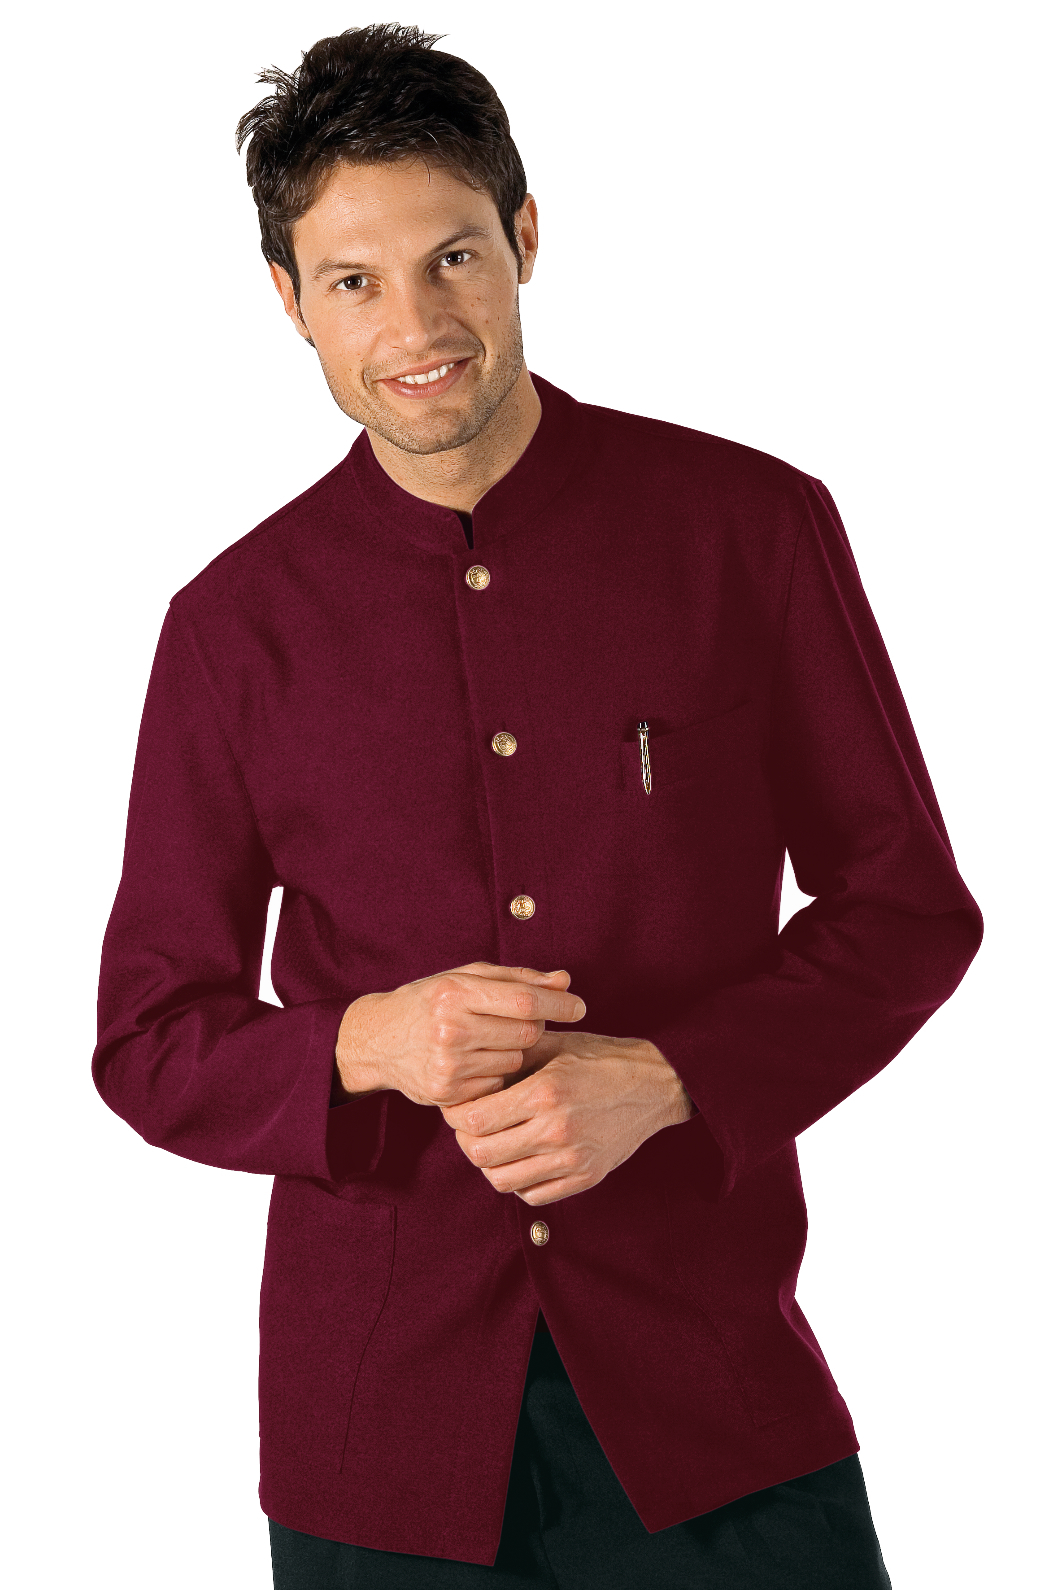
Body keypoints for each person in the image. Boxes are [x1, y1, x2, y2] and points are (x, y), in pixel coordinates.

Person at [92, 22, 983, 1589]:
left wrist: (674, 1077)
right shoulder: (231, 630)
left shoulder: (750, 531)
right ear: (288, 300)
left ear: (524, 235)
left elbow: (907, 908)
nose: (415, 325)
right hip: (380, 1431)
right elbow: (148, 1037)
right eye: (353, 281)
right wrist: (368, 1042)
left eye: (452, 256)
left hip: (715, 1394)